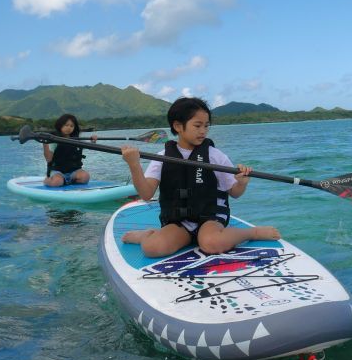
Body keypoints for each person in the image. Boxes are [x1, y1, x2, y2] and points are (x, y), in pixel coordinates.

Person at [120, 96, 281, 258]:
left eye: (206, 126)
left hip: (211, 217)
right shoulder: (162, 157)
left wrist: (242, 182)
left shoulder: (215, 156)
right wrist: (134, 165)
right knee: (152, 248)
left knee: (212, 244)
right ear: (178, 126)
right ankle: (147, 235)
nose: (203, 131)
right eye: (197, 126)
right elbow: (146, 195)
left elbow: (235, 193)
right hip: (179, 222)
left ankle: (251, 233)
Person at [43, 113, 96, 187]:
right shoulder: (54, 140)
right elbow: (49, 159)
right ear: (60, 125)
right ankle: (47, 180)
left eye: (72, 126)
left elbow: (90, 147)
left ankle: (68, 181)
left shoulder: (77, 140)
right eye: (66, 125)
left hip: (74, 171)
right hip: (58, 171)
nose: (69, 128)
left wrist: (93, 141)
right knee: (57, 182)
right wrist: (45, 143)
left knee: (85, 177)